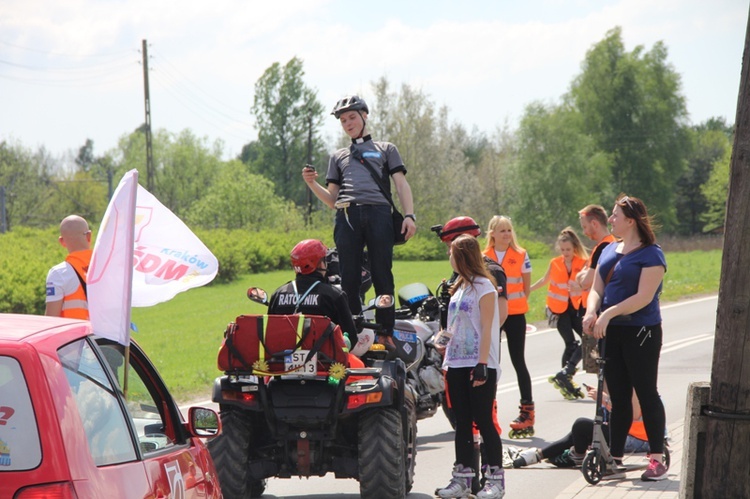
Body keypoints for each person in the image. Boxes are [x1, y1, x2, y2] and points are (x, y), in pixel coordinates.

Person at [302, 95, 416, 343]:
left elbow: (401, 184)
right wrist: (311, 183)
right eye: (343, 120)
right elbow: (332, 199)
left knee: (382, 274)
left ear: (365, 116)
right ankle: (352, 333)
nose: (348, 123)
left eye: (352, 117)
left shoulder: (386, 149)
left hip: (379, 213)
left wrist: (409, 215)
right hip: (347, 215)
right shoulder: (338, 156)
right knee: (349, 279)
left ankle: (386, 332)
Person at [582, 194, 668, 482]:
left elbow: (643, 298)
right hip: (612, 332)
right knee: (618, 397)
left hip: (641, 331)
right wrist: (592, 311)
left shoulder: (652, 254)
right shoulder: (609, 250)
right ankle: (614, 458)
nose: (611, 220)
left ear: (630, 220)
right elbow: (597, 288)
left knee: (645, 392)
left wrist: (608, 314)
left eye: (615, 215)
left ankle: (657, 458)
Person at [436, 217, 509, 483]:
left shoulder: (485, 284)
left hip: (478, 363)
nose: (448, 256)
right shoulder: (458, 286)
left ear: (462, 256)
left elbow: (490, 325)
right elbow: (455, 323)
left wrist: (482, 364)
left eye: (451, 252)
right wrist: (443, 339)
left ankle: (494, 480)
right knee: (462, 423)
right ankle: (463, 478)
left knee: (485, 421)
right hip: (455, 362)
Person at [512, 385, 659, 469]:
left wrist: (604, 398)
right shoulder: (617, 378)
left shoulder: (632, 382)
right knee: (578, 432)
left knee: (581, 425)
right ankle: (538, 455)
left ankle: (576, 454)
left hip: (634, 437)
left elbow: (632, 414)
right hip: (622, 432)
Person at [482, 216, 534, 437]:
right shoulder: (484, 257)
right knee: (491, 362)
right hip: (491, 315)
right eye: (502, 230)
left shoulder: (521, 255)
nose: (506, 234)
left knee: (518, 362)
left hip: (515, 315)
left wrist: (513, 306)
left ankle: (527, 411)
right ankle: (488, 410)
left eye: (509, 230)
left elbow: (526, 286)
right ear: (492, 233)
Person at [529, 227, 588, 400]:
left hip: (577, 308)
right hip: (559, 310)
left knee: (586, 340)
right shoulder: (555, 263)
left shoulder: (583, 262)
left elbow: (588, 282)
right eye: (562, 250)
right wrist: (528, 290)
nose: (565, 253)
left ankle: (565, 374)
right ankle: (566, 379)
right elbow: (544, 280)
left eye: (568, 249)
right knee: (570, 344)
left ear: (575, 247)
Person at [267, 239, 359, 349]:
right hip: (325, 363)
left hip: (282, 361)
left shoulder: (278, 294)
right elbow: (351, 338)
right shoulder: (334, 295)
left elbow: (269, 334)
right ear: (319, 263)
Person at [575, 205, 616, 374]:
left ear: (594, 223)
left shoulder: (603, 247)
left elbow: (586, 281)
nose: (584, 232)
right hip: (600, 309)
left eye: (585, 227)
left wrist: (580, 277)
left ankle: (606, 399)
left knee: (601, 365)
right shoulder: (612, 243)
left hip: (597, 311)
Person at [45, 215, 93, 319]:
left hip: (76, 335)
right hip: (108, 335)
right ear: (89, 236)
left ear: (62, 241)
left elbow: (51, 319)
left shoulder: (58, 274)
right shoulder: (108, 267)